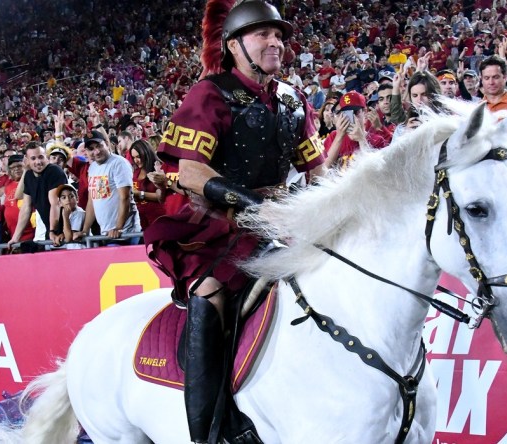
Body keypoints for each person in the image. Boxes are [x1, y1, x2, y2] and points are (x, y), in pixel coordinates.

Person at [143, 1, 325, 441]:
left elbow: (318, 171)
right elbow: (190, 172)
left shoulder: (291, 99)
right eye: (263, 34)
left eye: (278, 35)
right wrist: (253, 207)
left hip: (283, 216)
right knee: (213, 291)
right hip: (217, 222)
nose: (275, 42)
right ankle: (209, 430)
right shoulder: (210, 94)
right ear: (233, 45)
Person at [79, 130, 140, 244]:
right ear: (86, 151)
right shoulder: (92, 168)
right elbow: (92, 201)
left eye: (99, 146)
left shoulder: (119, 163)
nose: (96, 152)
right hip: (107, 233)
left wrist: (118, 227)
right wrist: (85, 230)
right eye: (91, 149)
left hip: (125, 232)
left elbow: (125, 197)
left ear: (107, 144)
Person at [8, 141, 66, 247]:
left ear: (47, 157)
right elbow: (26, 208)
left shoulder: (54, 171)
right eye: (33, 158)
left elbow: (55, 204)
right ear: (27, 160)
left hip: (68, 230)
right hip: (51, 232)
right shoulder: (28, 175)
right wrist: (15, 237)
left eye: (41, 157)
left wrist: (53, 231)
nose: (38, 162)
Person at [129, 139, 165, 230]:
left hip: (159, 219)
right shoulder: (136, 172)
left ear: (146, 153)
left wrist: (140, 194)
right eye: (133, 157)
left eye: (138, 156)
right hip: (141, 221)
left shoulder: (158, 168)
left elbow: (161, 196)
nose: (136, 160)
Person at [55, 184, 87, 249]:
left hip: (81, 251)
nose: (68, 200)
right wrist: (63, 235)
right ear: (60, 203)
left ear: (77, 198)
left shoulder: (79, 213)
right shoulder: (70, 213)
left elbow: (69, 238)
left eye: (71, 196)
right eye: (64, 197)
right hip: (73, 251)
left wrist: (65, 216)